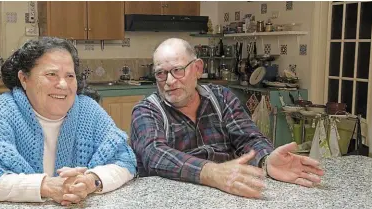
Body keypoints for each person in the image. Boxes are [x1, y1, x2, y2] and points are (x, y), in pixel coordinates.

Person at [130, 38, 324, 199]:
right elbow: (154, 154)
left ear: (198, 68)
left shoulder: (221, 98)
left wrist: (266, 160)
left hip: (228, 195)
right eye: (161, 74)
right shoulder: (146, 111)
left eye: (177, 70)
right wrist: (212, 173)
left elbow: (248, 138)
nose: (169, 81)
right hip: (170, 200)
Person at [0, 37, 137, 206]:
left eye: (69, 76)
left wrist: (91, 181)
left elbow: (125, 162)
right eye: (51, 74)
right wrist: (47, 186)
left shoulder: (89, 110)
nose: (63, 84)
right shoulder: (1, 111)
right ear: (24, 79)